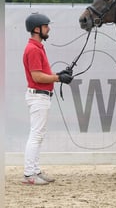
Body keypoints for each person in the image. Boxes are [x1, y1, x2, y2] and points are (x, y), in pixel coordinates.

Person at [22, 13, 73, 185]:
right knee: (36, 135)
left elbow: (43, 74)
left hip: (41, 96)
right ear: (37, 29)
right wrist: (58, 78)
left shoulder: (38, 47)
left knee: (38, 135)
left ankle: (35, 171)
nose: (48, 28)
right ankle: (29, 175)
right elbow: (37, 77)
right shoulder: (33, 49)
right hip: (38, 96)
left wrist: (59, 75)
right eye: (46, 26)